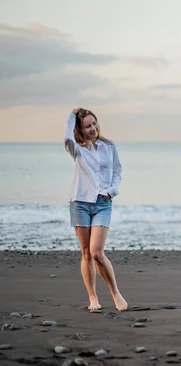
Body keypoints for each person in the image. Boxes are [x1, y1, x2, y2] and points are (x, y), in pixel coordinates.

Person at [64, 107, 128, 311]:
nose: (93, 128)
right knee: (86, 253)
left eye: (94, 124)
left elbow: (117, 170)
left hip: (103, 203)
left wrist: (112, 191)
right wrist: (71, 116)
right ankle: (93, 297)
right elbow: (66, 139)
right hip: (80, 203)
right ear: (80, 130)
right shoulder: (76, 149)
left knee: (97, 252)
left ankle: (115, 293)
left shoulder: (109, 146)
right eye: (87, 126)